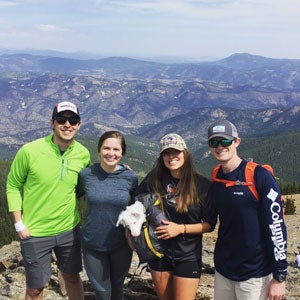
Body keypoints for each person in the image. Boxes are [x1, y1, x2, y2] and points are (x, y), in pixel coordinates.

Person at [6, 101, 91, 300]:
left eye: (73, 120)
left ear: (79, 124)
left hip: (69, 230)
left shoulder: (83, 154)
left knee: (72, 278)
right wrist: (19, 224)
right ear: (52, 123)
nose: (67, 124)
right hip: (35, 232)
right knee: (35, 288)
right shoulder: (30, 151)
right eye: (62, 119)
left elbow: (79, 189)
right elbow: (12, 186)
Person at [207, 119, 287, 300]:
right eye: (214, 142)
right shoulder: (216, 177)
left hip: (255, 274)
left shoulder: (259, 176)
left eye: (225, 141)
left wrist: (279, 276)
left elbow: (276, 226)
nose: (220, 146)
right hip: (223, 271)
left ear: (237, 142)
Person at [135, 133, 216, 300]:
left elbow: (209, 224)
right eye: (166, 153)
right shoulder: (154, 179)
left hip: (188, 255)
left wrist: (180, 229)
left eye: (176, 152)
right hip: (159, 253)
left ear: (185, 153)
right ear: (161, 157)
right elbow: (138, 202)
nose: (171, 157)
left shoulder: (202, 185)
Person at [77, 130, 138, 300]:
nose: (111, 153)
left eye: (116, 149)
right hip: (93, 243)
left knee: (118, 289)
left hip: (121, 244)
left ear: (122, 152)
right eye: (106, 148)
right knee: (103, 293)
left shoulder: (130, 176)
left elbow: (134, 205)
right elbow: (75, 195)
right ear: (99, 150)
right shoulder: (86, 174)